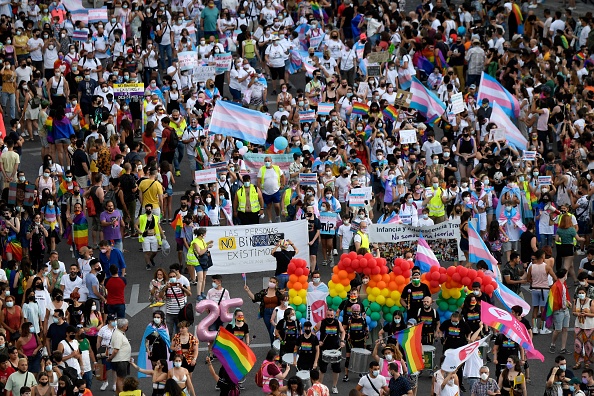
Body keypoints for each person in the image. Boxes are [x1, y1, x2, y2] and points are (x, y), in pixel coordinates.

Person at [244, 277, 283, 345]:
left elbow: (283, 300)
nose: (271, 283)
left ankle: (276, 345)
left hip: (276, 314)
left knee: (273, 331)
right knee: (270, 332)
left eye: (273, 282)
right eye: (270, 281)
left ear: (276, 284)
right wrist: (248, 290)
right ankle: (274, 347)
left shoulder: (278, 292)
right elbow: (254, 298)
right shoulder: (264, 292)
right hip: (266, 314)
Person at [550, 268, 572, 355]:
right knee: (558, 330)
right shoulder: (556, 286)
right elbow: (555, 301)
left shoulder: (562, 284)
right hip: (559, 310)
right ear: (564, 275)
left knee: (565, 328)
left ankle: (563, 348)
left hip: (564, 309)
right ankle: (552, 344)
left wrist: (567, 302)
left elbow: (564, 296)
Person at [187, 227, 213, 300]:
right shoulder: (195, 242)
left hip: (203, 261)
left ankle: (202, 292)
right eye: (204, 234)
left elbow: (203, 246)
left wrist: (208, 243)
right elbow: (200, 252)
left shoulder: (201, 240)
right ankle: (198, 295)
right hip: (197, 261)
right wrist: (207, 247)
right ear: (201, 235)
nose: (205, 235)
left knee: (204, 278)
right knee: (200, 278)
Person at [107, 318, 132, 395]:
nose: (127, 327)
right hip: (120, 360)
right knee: (120, 378)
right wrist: (110, 358)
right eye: (126, 325)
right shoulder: (118, 335)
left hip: (122, 359)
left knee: (120, 378)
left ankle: (118, 394)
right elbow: (115, 350)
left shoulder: (120, 333)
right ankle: (122, 394)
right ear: (123, 326)